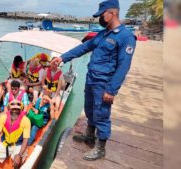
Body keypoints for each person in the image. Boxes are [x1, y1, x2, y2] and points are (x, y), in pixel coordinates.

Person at [51, 0, 137, 161]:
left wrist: (112, 90)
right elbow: (83, 48)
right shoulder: (103, 34)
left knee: (101, 114)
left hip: (104, 83)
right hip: (91, 80)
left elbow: (123, 66)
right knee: (89, 109)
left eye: (101, 15)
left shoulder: (126, 37)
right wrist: (62, 58)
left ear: (112, 13)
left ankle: (100, 148)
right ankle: (90, 136)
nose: (100, 18)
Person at [0, 99, 30, 169]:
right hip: (5, 144)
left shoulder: (26, 120)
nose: (14, 111)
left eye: (17, 109)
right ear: (9, 109)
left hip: (18, 145)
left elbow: (25, 139)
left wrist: (19, 155)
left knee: (17, 162)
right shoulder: (3, 118)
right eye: (13, 109)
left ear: (20, 110)